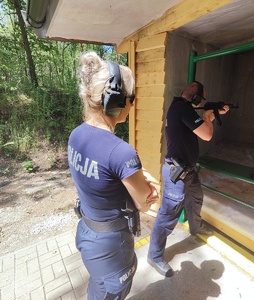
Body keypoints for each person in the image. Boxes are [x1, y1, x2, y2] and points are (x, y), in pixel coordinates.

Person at [68, 51, 158, 300]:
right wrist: (150, 188)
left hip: (88, 232)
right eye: (132, 98)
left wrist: (130, 177)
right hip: (111, 244)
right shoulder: (121, 152)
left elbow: (97, 179)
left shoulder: (76, 135)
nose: (133, 104)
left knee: (98, 287)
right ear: (116, 102)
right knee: (113, 293)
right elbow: (143, 202)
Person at [147, 81, 229, 277]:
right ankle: (154, 255)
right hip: (178, 174)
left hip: (188, 171)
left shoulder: (183, 109)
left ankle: (196, 228)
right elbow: (207, 134)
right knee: (168, 216)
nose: (202, 101)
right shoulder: (181, 109)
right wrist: (208, 117)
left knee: (196, 199)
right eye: (202, 97)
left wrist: (213, 112)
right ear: (195, 97)